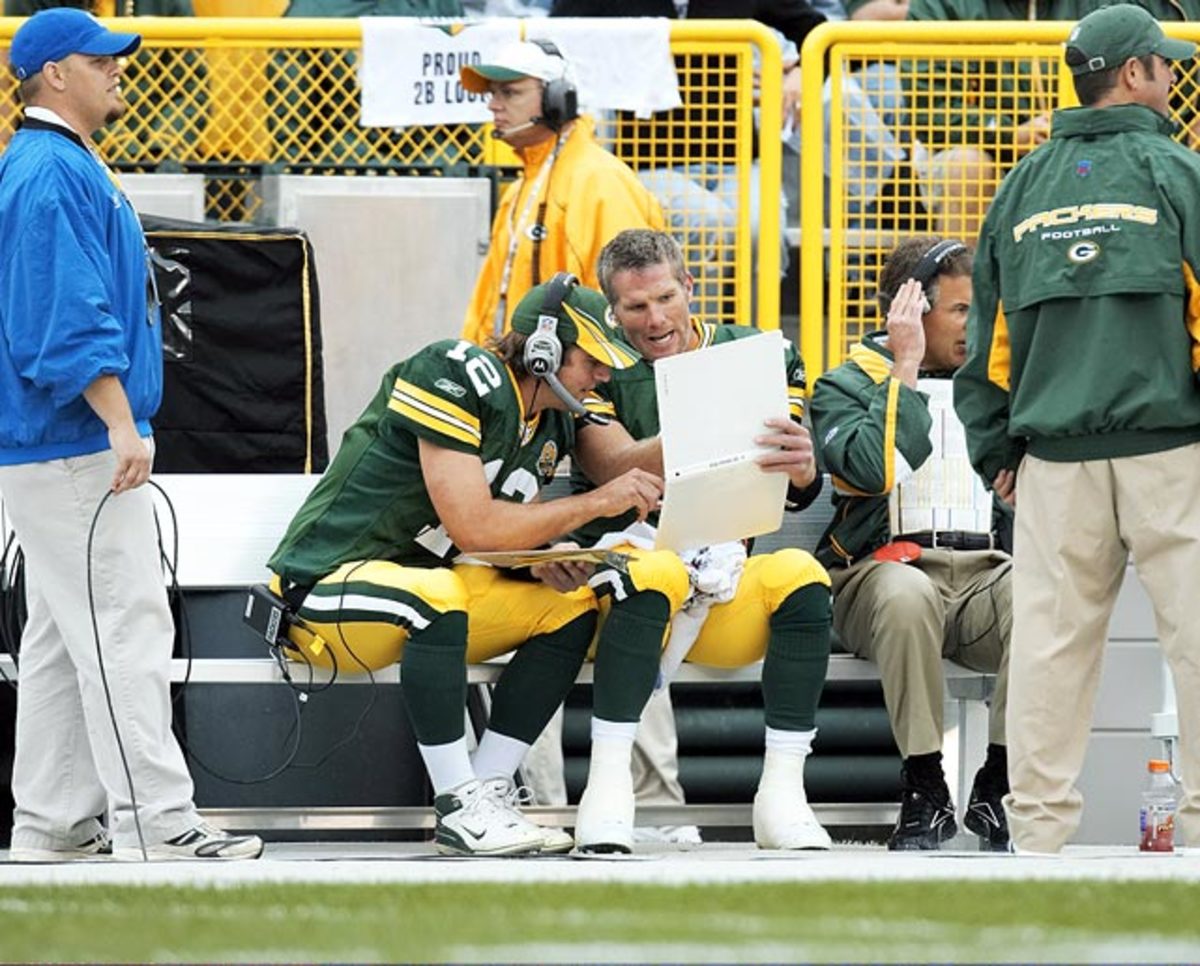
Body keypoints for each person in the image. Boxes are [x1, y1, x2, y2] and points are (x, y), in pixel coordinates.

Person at [267, 275, 666, 856]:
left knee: (567, 610)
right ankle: (458, 803)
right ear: (544, 349)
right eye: (591, 361)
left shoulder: (546, 419)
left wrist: (541, 562)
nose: (604, 375)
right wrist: (598, 503)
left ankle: (490, 785)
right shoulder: (453, 372)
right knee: (435, 595)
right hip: (323, 585)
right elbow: (473, 527)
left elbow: (503, 537)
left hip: (413, 593)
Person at [0, 9, 262, 862]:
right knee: (125, 628)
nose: (118, 70)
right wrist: (119, 420)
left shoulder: (54, 162)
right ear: (54, 75)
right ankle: (158, 822)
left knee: (58, 641)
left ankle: (51, 823)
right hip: (73, 439)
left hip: (51, 441)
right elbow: (63, 320)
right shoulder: (46, 173)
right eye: (98, 59)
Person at [954, 3, 1200, 855]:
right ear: (1133, 75)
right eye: (1162, 65)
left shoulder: (1017, 188)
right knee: (1198, 646)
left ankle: (1038, 842)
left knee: (1051, 661)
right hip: (1171, 449)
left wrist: (997, 452)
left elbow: (981, 344)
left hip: (1051, 462)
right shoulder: (1178, 172)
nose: (1170, 76)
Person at [566, 228, 834, 852]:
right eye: (635, 307)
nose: (655, 319)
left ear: (690, 287)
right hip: (625, 602)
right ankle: (607, 792)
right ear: (613, 311)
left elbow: (790, 485)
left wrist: (801, 464)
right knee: (654, 573)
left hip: (726, 583)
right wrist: (717, 412)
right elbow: (612, 466)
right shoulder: (600, 365)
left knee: (801, 575)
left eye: (665, 297)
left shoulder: (755, 353)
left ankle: (783, 796)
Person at [810, 236, 1012, 851]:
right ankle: (924, 786)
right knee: (906, 592)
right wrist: (905, 365)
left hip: (981, 576)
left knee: (1046, 597)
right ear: (908, 309)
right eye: (960, 310)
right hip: (880, 578)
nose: (975, 326)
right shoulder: (845, 384)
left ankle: (997, 787)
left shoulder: (998, 383)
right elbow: (876, 469)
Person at [458, 39, 665, 347]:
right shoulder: (520, 190)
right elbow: (490, 300)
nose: (493, 104)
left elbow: (628, 305)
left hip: (575, 385)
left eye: (509, 92)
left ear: (558, 99)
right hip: (529, 379)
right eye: (492, 93)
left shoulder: (600, 181)